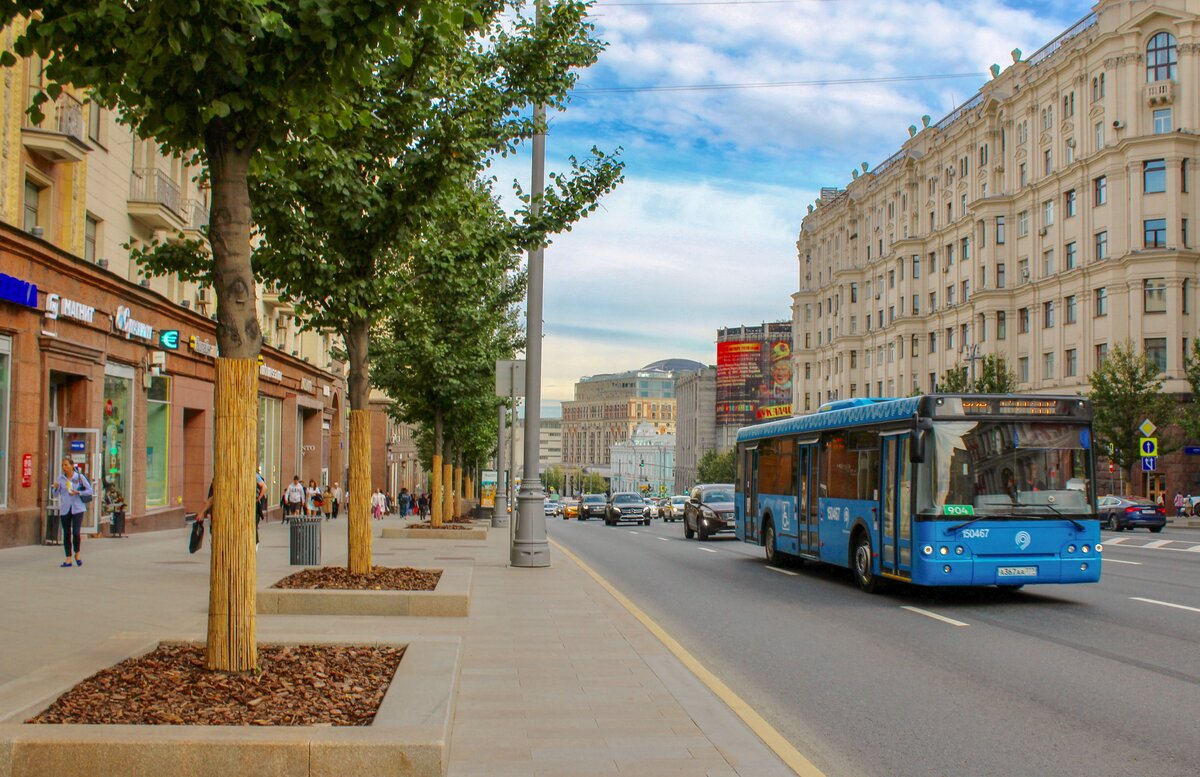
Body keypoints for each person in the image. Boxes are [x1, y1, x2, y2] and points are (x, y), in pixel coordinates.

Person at [55, 458, 93, 567]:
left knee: (76, 532)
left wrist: (78, 492)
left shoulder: (79, 477)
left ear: (72, 466)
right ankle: (68, 558)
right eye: (63, 465)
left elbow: (89, 490)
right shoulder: (61, 479)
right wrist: (56, 488)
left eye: (66, 465)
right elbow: (55, 494)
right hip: (65, 509)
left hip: (78, 508)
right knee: (66, 534)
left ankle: (77, 553)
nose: (64, 467)